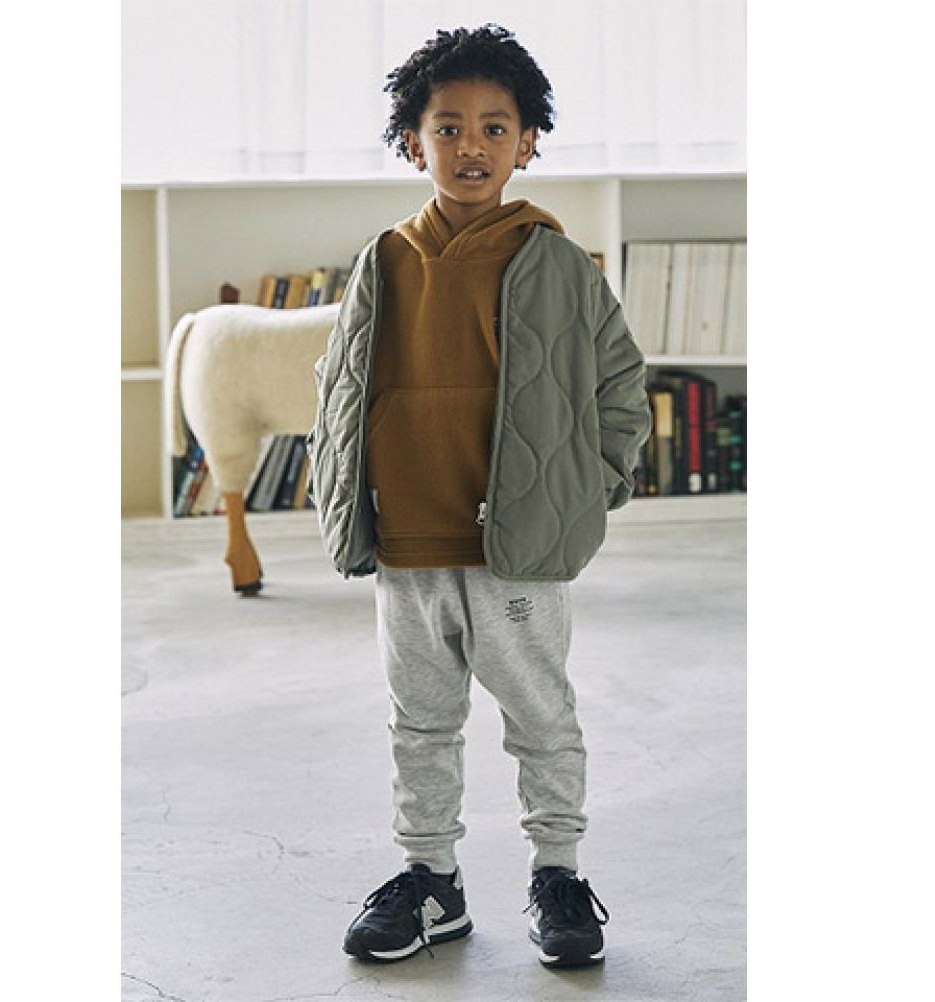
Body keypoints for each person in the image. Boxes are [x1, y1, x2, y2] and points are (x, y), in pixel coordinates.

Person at [307, 23, 652, 969]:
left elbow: (621, 386)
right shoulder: (382, 259)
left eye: (495, 128)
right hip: (408, 544)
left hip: (520, 550)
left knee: (541, 716)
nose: (471, 146)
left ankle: (559, 874)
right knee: (420, 722)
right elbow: (339, 386)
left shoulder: (557, 264)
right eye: (448, 127)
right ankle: (431, 881)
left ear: (527, 142)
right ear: (411, 141)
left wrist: (588, 491)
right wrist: (347, 498)